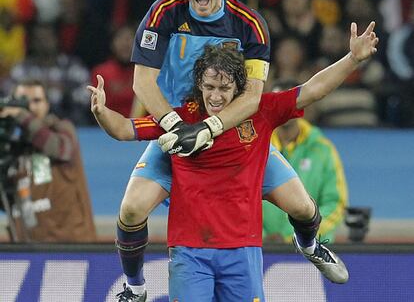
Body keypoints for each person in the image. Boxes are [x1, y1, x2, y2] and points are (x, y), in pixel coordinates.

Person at [89, 21, 378, 300]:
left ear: (239, 88)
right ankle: (134, 288)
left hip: (241, 249)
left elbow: (314, 89)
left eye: (224, 89)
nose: (215, 96)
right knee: (132, 208)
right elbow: (125, 129)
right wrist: (102, 112)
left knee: (303, 207)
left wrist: (352, 58)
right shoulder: (182, 119)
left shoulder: (260, 111)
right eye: (209, 87)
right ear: (199, 84)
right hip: (190, 251)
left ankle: (310, 244)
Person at [0, 79, 97, 242]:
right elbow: (7, 202)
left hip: (71, 248)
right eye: (23, 101)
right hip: (28, 248)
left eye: (37, 100)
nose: (30, 107)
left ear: (47, 104)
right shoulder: (14, 146)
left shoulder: (62, 129)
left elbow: (60, 149)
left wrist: (21, 116)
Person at [262, 81, 348, 243]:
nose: (283, 108)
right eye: (277, 101)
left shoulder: (323, 149)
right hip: (261, 247)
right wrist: (261, 237)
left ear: (299, 106)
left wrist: (303, 235)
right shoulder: (256, 147)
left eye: (287, 102)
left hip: (309, 249)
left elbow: (335, 203)